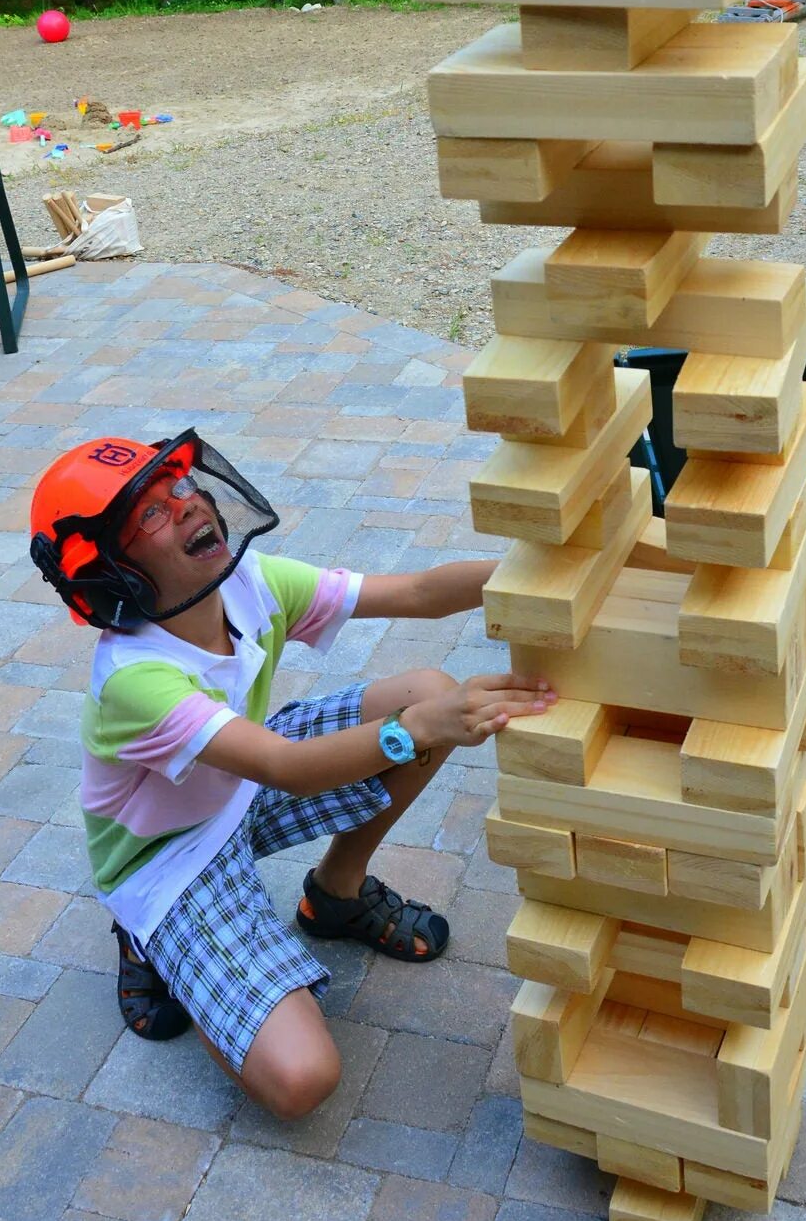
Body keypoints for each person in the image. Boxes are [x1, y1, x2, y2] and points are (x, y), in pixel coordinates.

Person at [29, 429, 554, 1120]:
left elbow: (421, 592)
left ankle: (334, 898)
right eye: (151, 513)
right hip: (167, 864)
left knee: (425, 690)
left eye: (181, 487)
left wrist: (548, 571)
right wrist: (421, 730)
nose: (187, 505)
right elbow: (288, 767)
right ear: (111, 576)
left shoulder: (247, 582)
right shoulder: (134, 678)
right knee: (302, 1080)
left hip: (238, 789)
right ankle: (159, 944)